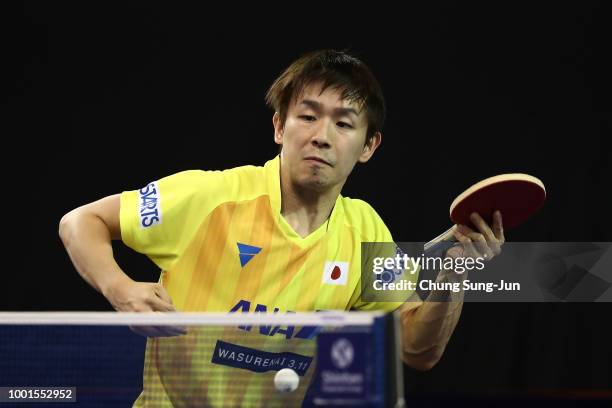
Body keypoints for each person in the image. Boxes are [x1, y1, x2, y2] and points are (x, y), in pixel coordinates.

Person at [59, 49, 504, 407]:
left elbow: (416, 349)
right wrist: (120, 288)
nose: (321, 136)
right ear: (279, 126)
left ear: (369, 146)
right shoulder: (212, 198)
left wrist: (452, 279)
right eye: (307, 116)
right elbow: (80, 221)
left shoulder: (364, 230)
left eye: (344, 123)